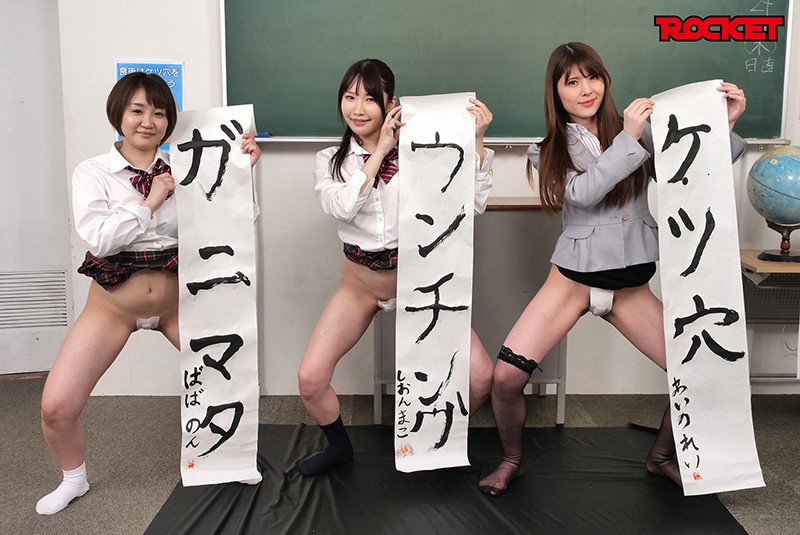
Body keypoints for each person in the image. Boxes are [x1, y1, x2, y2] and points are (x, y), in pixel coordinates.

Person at [478, 42, 747, 496]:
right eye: (572, 81)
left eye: (593, 77)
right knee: (506, 378)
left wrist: (725, 125)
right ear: (556, 92)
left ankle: (661, 457)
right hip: (572, 282)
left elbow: (691, 173)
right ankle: (511, 460)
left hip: (630, 287)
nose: (586, 89)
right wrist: (629, 138)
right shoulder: (546, 149)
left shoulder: (638, 131)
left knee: (698, 371)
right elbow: (582, 194)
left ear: (605, 80)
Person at [36, 72, 262, 515]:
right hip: (112, 308)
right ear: (118, 114)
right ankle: (73, 480)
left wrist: (239, 175)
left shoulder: (189, 164)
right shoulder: (93, 172)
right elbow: (101, 240)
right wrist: (152, 200)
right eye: (137, 110)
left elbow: (232, 223)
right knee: (57, 406)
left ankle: (231, 460)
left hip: (179, 305)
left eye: (159, 113)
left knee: (232, 381)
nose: (148, 121)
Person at [297, 58, 495, 476]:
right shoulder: (330, 159)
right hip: (359, 286)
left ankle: (438, 438)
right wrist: (382, 150)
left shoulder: (424, 151)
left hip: (420, 282)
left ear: (391, 104)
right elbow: (342, 207)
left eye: (370, 99)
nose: (358, 109)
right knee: (311, 379)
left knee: (480, 376)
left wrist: (476, 142)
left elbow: (472, 207)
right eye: (349, 97)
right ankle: (339, 447)